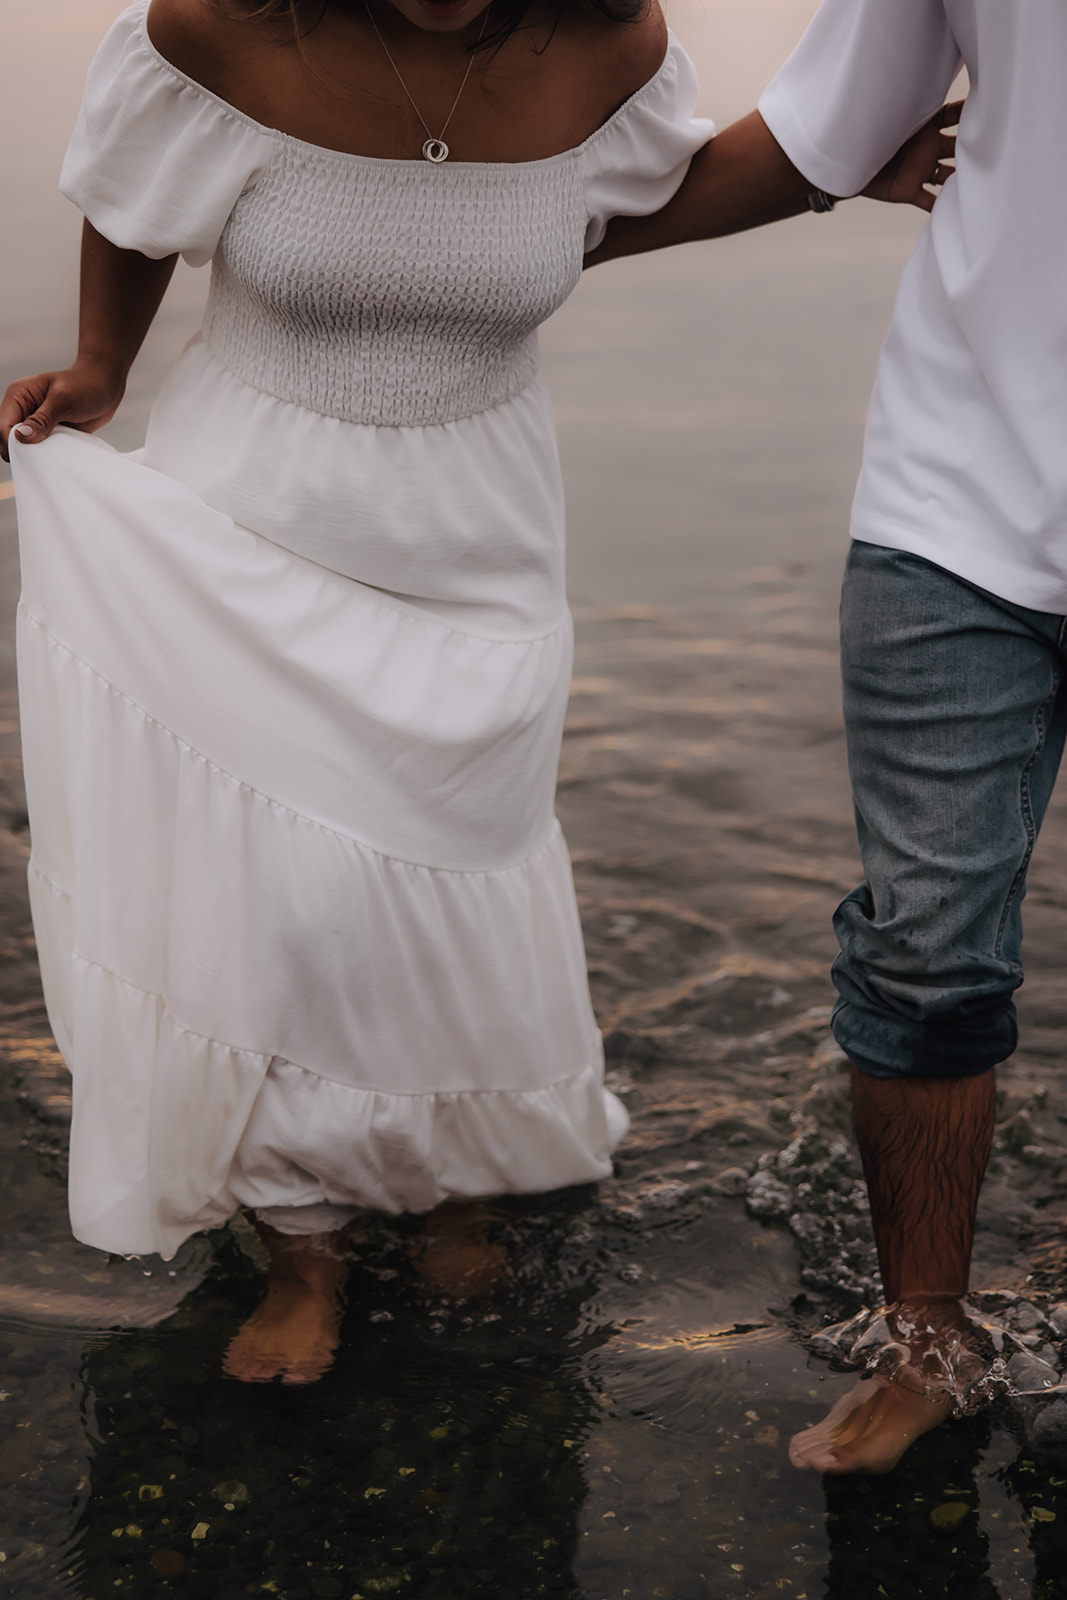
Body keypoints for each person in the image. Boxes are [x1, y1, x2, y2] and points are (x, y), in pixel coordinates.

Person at [0, 0, 943, 1386]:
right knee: (281, 890)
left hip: (481, 534)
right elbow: (140, 204)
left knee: (461, 864)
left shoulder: (609, 40)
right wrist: (102, 368)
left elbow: (622, 206)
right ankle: (303, 1240)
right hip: (256, 515)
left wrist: (825, 166)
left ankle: (454, 1171)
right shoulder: (218, 29)